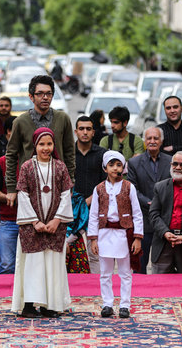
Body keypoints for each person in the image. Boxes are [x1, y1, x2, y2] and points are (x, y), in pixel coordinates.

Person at [11, 128, 74, 318]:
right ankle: (29, 305)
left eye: (49, 144)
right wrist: (34, 221)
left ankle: (50, 305)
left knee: (52, 264)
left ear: (54, 146)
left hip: (55, 226)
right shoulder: (27, 167)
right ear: (35, 145)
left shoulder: (61, 167)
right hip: (32, 227)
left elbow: (65, 195)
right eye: (41, 144)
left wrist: (57, 220)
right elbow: (22, 195)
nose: (45, 148)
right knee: (32, 264)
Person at [88, 151, 143, 319]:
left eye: (118, 164)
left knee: (125, 272)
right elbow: (94, 215)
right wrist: (93, 239)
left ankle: (125, 304)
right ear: (105, 168)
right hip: (105, 233)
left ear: (123, 167)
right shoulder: (98, 189)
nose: (115, 168)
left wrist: (137, 237)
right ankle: (107, 303)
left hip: (123, 234)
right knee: (105, 272)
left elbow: (137, 213)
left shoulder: (129, 187)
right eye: (111, 165)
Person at [5, 75, 75, 207]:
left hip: (57, 184)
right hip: (29, 186)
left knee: (56, 225)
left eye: (49, 94)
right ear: (31, 97)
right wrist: (11, 188)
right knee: (30, 225)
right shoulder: (20, 122)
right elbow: (11, 155)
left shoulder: (63, 118)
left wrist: (70, 183)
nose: (45, 97)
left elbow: (69, 153)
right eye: (40, 94)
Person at [128, 127, 172, 274]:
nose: (152, 141)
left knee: (163, 265)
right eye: (149, 138)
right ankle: (139, 294)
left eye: (156, 138)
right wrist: (150, 203)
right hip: (143, 219)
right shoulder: (134, 163)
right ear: (144, 141)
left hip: (165, 219)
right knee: (140, 264)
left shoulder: (171, 161)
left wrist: (160, 204)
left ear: (161, 141)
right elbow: (133, 189)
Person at [73, 116, 107, 273]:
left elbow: (107, 184)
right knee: (69, 250)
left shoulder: (102, 155)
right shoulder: (68, 154)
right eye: (81, 129)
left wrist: (87, 201)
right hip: (71, 211)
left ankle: (95, 289)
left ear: (93, 132)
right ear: (76, 131)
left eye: (88, 129)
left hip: (96, 210)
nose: (84, 132)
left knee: (95, 252)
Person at [0, 152, 19, 274]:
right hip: (8, 220)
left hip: (33, 221)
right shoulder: (1, 162)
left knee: (31, 265)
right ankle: (6, 293)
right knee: (7, 265)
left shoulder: (35, 161)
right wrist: (7, 197)